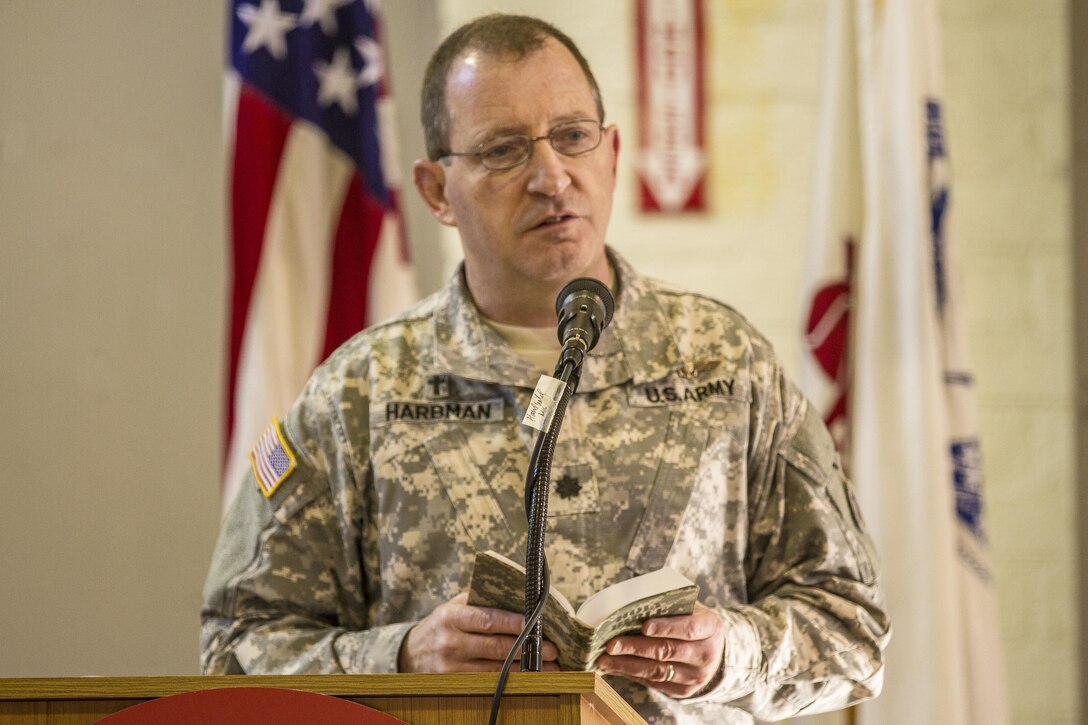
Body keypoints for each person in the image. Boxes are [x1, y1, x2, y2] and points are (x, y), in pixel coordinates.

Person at [201, 13, 890, 724]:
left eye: (572, 137)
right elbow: (234, 647)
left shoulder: (728, 364)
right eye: (503, 150)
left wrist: (731, 652)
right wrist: (403, 656)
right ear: (437, 190)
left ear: (612, 153)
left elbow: (856, 630)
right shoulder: (359, 392)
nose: (551, 176)